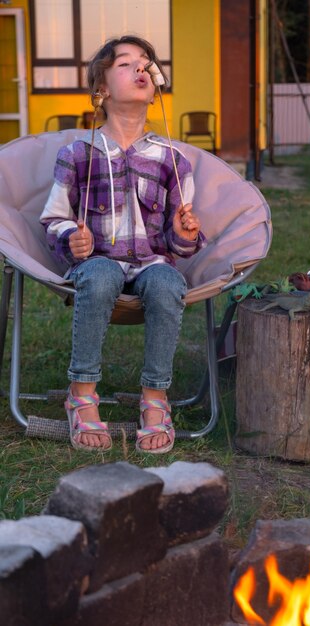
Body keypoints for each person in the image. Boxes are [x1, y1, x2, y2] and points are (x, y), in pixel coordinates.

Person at [40, 35, 205, 454]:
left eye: (146, 63)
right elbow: (54, 217)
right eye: (126, 64)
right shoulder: (79, 153)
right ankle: (81, 394)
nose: (141, 69)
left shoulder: (173, 159)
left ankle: (155, 398)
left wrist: (184, 236)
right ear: (102, 90)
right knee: (99, 273)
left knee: (168, 282)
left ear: (155, 88)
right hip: (97, 263)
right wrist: (71, 240)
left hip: (151, 263)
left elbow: (177, 243)